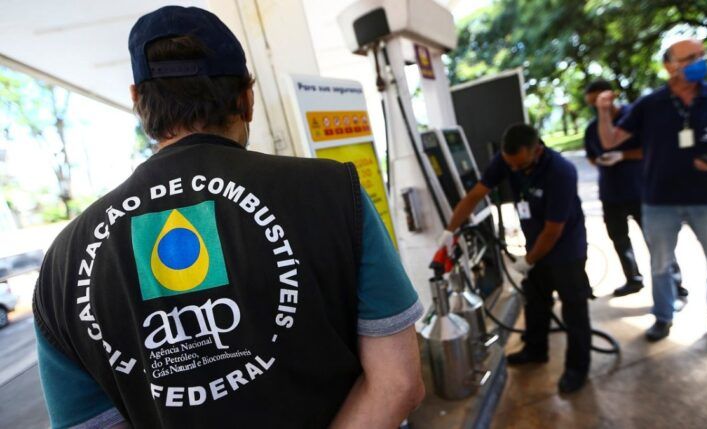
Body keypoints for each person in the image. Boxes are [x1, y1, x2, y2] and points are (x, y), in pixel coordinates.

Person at [33, 6, 425, 428]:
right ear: (247, 100)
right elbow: (398, 383)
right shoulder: (333, 192)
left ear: (137, 101)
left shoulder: (63, 266)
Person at [596, 38, 707, 349]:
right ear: (670, 66)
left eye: (702, 55)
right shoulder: (650, 104)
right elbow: (610, 141)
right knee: (660, 265)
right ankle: (663, 316)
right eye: (690, 58)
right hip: (659, 201)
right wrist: (603, 112)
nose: (699, 62)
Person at [439, 123, 592, 394]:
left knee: (574, 309)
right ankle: (535, 350)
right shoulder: (507, 160)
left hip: (566, 249)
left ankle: (577, 369)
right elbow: (475, 195)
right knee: (535, 300)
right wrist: (449, 232)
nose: (513, 169)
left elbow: (553, 230)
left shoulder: (561, 172)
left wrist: (527, 261)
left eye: (519, 165)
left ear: (537, 151)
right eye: (509, 164)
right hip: (536, 244)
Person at [583, 80, 687, 306]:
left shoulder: (634, 117)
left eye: (600, 101)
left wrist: (623, 155)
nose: (597, 107)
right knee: (619, 238)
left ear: (612, 95)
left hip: (641, 190)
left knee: (656, 240)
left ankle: (675, 285)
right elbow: (591, 155)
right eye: (592, 104)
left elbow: (652, 148)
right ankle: (633, 279)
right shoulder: (592, 128)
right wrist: (602, 160)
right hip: (611, 193)